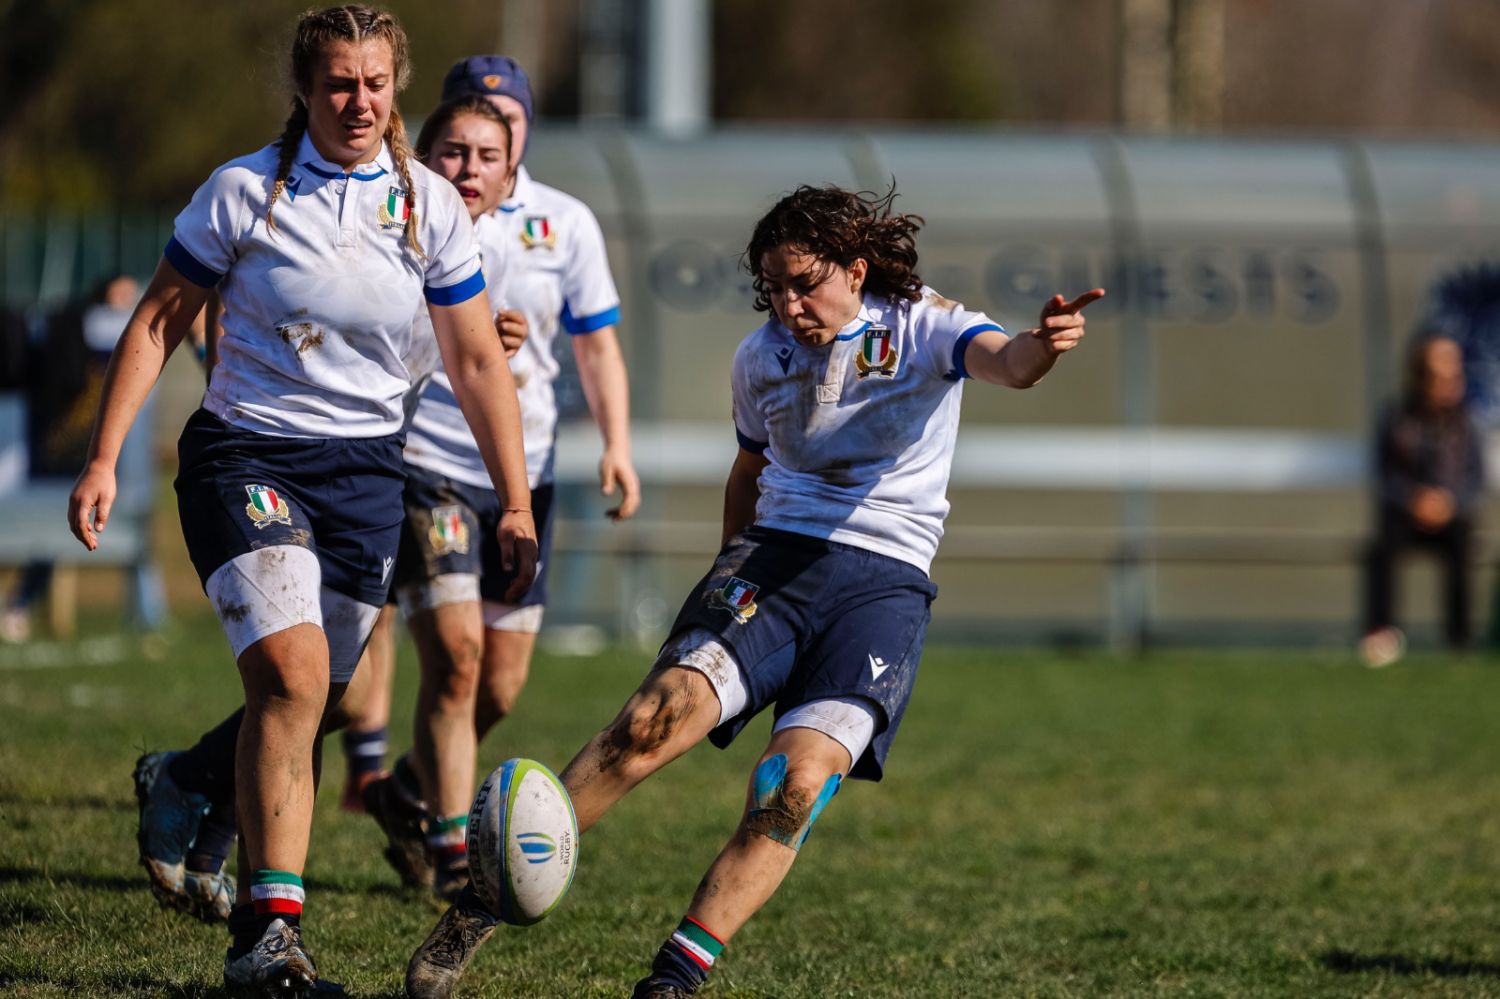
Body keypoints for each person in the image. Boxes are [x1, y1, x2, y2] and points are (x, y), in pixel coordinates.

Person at [404, 183, 1103, 999]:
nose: (789, 303)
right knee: (645, 725)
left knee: (791, 789)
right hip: (771, 563)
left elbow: (1009, 363)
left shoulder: (924, 324)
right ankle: (475, 912)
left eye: (804, 283)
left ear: (855, 268)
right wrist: (724, 573)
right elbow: (750, 469)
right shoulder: (758, 358)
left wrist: (1045, 344)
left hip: (882, 587)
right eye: (773, 287)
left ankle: (674, 978)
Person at [71, 6, 537, 996]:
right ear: (305, 88)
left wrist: (516, 502)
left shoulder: (429, 210)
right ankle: (267, 936)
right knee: (292, 674)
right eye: (338, 83)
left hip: (369, 472)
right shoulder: (246, 193)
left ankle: (190, 778)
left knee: (315, 695)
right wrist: (105, 459)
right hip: (247, 456)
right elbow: (159, 321)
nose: (357, 101)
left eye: (374, 83)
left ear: (394, 87)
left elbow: (470, 360)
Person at [355, 54, 640, 897]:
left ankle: (409, 787)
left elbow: (595, 344)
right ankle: (452, 849)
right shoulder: (401, 211)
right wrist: (468, 335)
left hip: (529, 473)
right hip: (430, 461)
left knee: (500, 684)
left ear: (520, 143)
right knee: (455, 656)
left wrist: (616, 443)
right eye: (465, 134)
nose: (480, 151)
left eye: (504, 128)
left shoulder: (565, 223)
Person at [1358, 332, 1483, 667]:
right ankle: (1381, 634)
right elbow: (1384, 474)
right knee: (1383, 547)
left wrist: (1448, 501)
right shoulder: (1397, 416)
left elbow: (1475, 477)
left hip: (1451, 516)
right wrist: (1414, 499)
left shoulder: (1465, 422)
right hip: (1404, 514)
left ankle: (1460, 640)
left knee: (1463, 544)